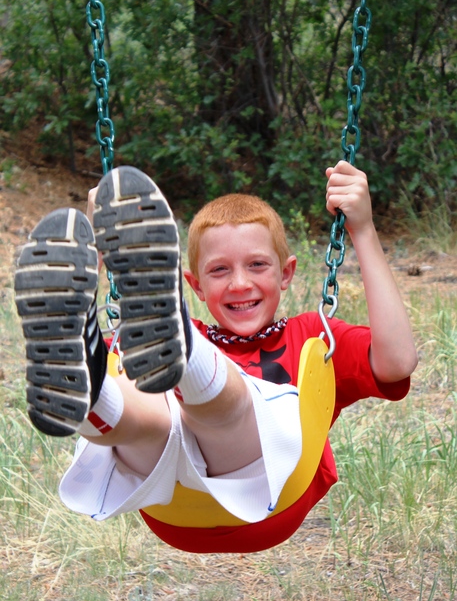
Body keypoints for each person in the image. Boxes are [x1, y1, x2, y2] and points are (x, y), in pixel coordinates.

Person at [13, 161, 417, 553]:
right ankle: (85, 390)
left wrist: (361, 228)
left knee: (231, 404)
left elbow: (397, 362)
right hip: (168, 493)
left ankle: (181, 354)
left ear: (286, 273)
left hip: (268, 497)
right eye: (219, 270)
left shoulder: (311, 335)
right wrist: (98, 252)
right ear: (196, 285)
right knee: (148, 412)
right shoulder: (155, 346)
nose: (240, 283)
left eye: (257, 265)